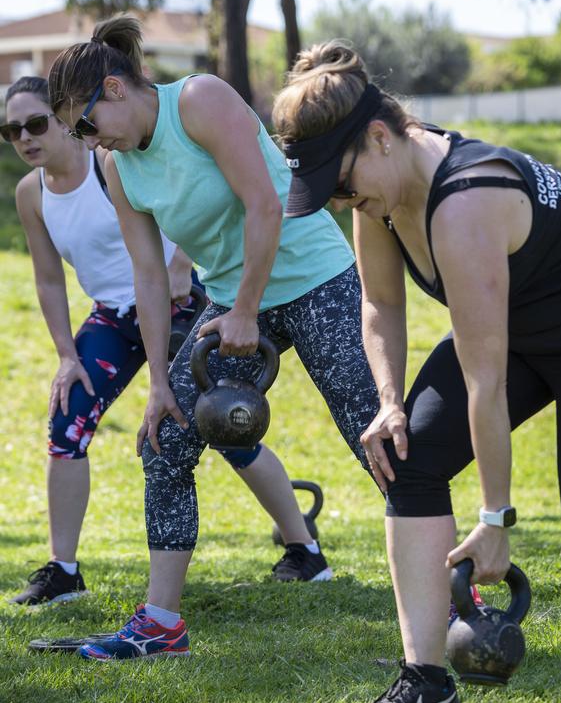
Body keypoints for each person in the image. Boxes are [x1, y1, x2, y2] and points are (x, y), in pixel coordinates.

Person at [272, 41, 561, 703]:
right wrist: (389, 400)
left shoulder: (468, 200)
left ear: (380, 137)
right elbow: (380, 305)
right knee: (406, 458)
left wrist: (497, 519)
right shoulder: (377, 194)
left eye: (339, 180)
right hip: (524, 330)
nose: (337, 197)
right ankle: (426, 682)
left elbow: (485, 378)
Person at [45, 16, 386, 659]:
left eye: (85, 124)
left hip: (313, 278)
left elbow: (265, 202)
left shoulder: (199, 100)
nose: (88, 142)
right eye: (77, 134)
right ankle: (161, 623)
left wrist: (248, 310)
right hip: (231, 304)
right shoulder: (118, 168)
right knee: (164, 441)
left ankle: (460, 590)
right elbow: (149, 276)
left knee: (373, 431)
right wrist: (155, 383)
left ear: (115, 90)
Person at [3, 75, 329, 609]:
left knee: (221, 425)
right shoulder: (31, 194)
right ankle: (63, 570)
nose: (25, 137)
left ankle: (304, 548)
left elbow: (181, 216)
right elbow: (46, 279)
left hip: (180, 304)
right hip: (114, 316)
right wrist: (66, 354)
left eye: (36, 123)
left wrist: (182, 266)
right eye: (10, 130)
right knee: (67, 420)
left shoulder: (108, 164)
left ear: (66, 121)